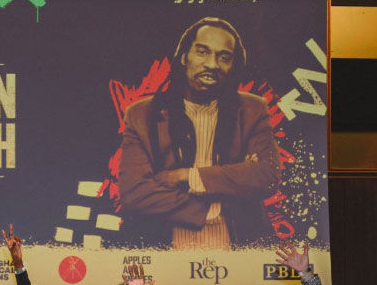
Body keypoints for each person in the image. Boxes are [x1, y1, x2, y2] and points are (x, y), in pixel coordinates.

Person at [119, 16, 279, 248]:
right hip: (163, 251)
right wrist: (216, 202)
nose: (212, 64)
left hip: (239, 252)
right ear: (184, 56)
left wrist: (186, 176)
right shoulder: (142, 114)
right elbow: (134, 192)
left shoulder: (253, 110)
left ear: (233, 66)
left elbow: (267, 176)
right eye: (202, 52)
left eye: (224, 57)